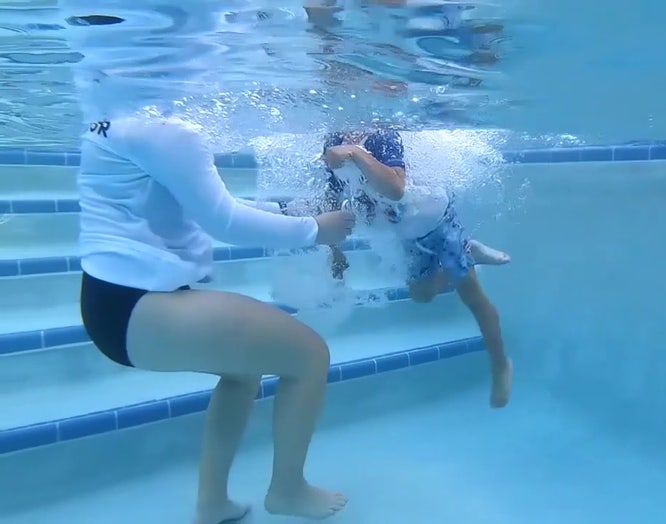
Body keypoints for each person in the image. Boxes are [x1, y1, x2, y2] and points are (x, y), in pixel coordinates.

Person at [65, 8, 354, 524]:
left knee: (243, 375)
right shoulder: (163, 130)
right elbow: (223, 223)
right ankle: (288, 490)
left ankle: (212, 504)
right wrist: (316, 231)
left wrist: (282, 212)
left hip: (112, 304)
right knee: (309, 355)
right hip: (141, 308)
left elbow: (183, 205)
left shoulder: (114, 117)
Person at [304, 128, 514, 408]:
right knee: (421, 294)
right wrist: (335, 252)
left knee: (472, 297)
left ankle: (501, 365)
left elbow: (395, 188)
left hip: (437, 221)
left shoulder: (381, 137)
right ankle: (469, 252)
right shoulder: (333, 144)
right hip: (408, 235)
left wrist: (356, 153)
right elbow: (333, 201)